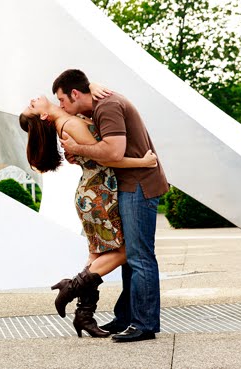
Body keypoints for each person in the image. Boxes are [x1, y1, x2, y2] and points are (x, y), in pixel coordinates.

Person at [19, 95, 157, 338]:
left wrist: (92, 87)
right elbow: (107, 157)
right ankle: (70, 288)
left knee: (96, 257)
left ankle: (84, 316)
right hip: (99, 193)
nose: (33, 99)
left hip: (92, 192)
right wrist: (142, 162)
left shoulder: (69, 120)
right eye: (32, 106)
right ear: (42, 115)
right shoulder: (70, 124)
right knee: (127, 251)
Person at [52, 69, 169, 342]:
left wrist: (79, 148)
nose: (61, 106)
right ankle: (127, 318)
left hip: (139, 184)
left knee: (140, 257)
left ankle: (145, 324)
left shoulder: (107, 106)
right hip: (128, 184)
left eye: (62, 100)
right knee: (130, 257)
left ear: (76, 94)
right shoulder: (97, 106)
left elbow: (113, 152)